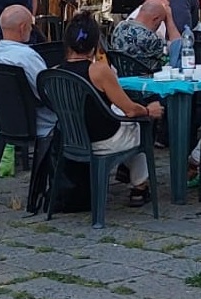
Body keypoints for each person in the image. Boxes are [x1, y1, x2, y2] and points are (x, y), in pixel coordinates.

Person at [57, 12, 163, 207]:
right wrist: (149, 110)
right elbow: (131, 109)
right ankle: (139, 186)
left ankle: (130, 172)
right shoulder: (99, 71)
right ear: (97, 43)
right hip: (102, 140)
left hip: (71, 139)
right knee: (142, 126)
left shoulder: (55, 72)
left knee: (128, 121)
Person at [0, 5, 56, 138]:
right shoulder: (27, 57)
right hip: (38, 123)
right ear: (22, 28)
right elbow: (47, 93)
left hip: (4, 121)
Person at [110, 0, 175, 73]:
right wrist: (169, 19)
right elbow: (176, 50)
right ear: (155, 19)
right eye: (160, 22)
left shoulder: (120, 27)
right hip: (147, 79)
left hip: (122, 78)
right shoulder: (151, 38)